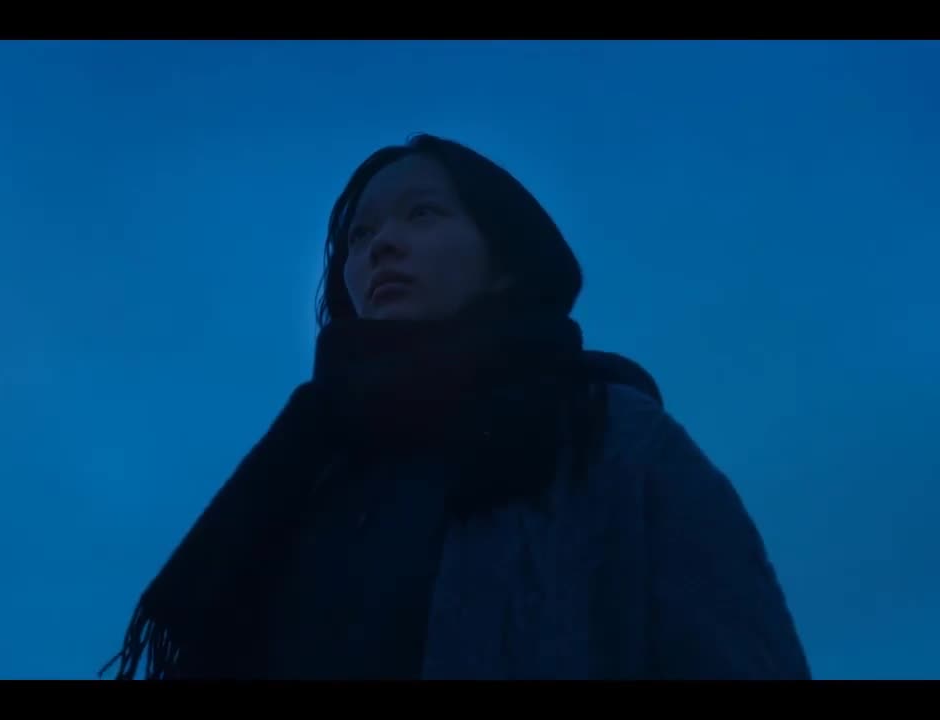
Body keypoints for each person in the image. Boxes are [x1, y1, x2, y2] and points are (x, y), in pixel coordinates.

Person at [100, 133, 811, 680]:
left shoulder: (611, 438)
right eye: (360, 235)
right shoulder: (304, 470)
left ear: (504, 259)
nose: (382, 246)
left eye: (422, 214)